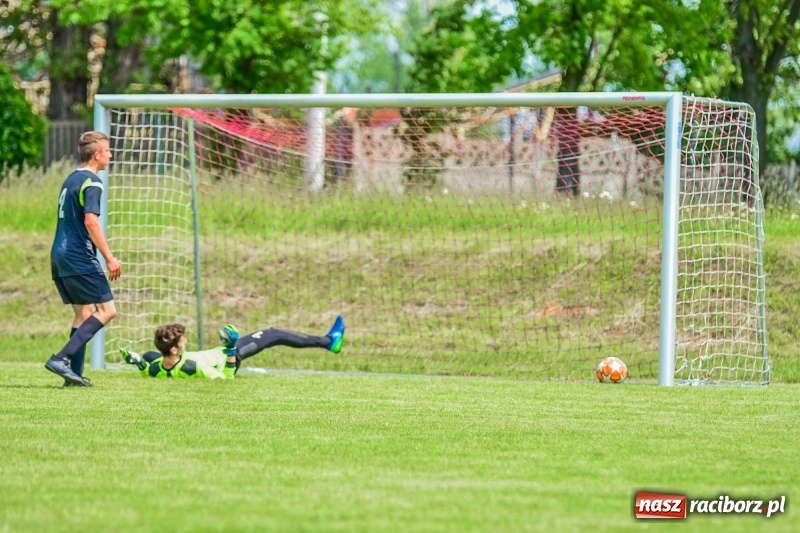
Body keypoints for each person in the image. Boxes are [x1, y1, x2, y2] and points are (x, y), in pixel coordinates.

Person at [45, 131, 122, 387]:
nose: (110, 155)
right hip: (78, 255)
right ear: (97, 155)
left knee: (84, 313)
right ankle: (61, 358)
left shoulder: (71, 179)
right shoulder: (93, 182)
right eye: (108, 151)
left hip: (59, 253)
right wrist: (109, 257)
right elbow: (91, 221)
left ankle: (72, 377)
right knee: (107, 311)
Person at [122, 316, 345, 379]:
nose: (186, 341)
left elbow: (150, 369)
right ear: (173, 349)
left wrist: (139, 363)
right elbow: (226, 378)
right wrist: (230, 348)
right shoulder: (192, 366)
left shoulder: (158, 367)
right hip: (229, 356)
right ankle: (329, 342)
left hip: (211, 355)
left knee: (147, 355)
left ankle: (328, 341)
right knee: (274, 334)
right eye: (182, 341)